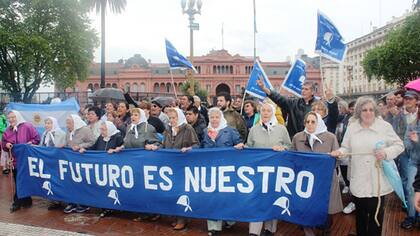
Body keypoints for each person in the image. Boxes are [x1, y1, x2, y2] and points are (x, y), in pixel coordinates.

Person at [331, 96, 404, 236]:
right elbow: (346, 147)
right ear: (359, 111)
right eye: (364, 110)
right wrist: (339, 152)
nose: (368, 112)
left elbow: (399, 145)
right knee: (361, 214)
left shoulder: (384, 127)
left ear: (375, 111)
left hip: (377, 179)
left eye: (371, 109)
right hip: (358, 178)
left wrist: (386, 153)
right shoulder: (352, 128)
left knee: (376, 216)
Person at [146, 107, 199, 230]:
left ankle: (182, 219)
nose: (172, 120)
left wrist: (188, 149)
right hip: (170, 165)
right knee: (173, 192)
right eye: (170, 118)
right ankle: (176, 217)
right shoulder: (168, 130)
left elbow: (196, 144)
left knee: (181, 192)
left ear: (179, 117)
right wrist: (155, 146)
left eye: (174, 117)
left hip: (183, 165)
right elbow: (163, 144)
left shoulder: (188, 128)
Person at [292, 111, 343, 236]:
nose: (310, 124)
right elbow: (292, 157)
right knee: (306, 206)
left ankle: (326, 229)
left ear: (318, 122)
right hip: (305, 179)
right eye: (307, 122)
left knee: (325, 207)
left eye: (313, 122)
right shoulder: (298, 137)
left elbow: (338, 161)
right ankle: (308, 230)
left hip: (324, 179)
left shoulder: (330, 137)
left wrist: (335, 156)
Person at [247, 103, 291, 236]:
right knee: (257, 200)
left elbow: (289, 146)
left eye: (268, 111)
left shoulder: (281, 129)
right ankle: (254, 231)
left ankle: (269, 229)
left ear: (273, 113)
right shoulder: (254, 129)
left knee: (272, 199)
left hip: (275, 172)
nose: (265, 113)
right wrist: (241, 147)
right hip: (258, 172)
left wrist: (283, 148)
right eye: (263, 111)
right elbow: (249, 147)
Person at [201, 107, 243, 236]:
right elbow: (202, 148)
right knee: (212, 198)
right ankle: (214, 227)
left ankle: (229, 219)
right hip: (211, 170)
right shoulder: (205, 131)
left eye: (216, 117)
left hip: (227, 170)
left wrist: (240, 146)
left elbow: (240, 143)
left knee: (226, 197)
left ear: (221, 118)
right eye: (212, 117)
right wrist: (190, 149)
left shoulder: (230, 131)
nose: (214, 119)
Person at [80, 120, 124, 218]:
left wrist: (116, 150)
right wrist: (85, 150)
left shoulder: (117, 137)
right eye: (101, 129)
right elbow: (94, 147)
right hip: (101, 168)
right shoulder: (101, 138)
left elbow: (124, 149)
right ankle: (105, 207)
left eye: (103, 130)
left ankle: (113, 206)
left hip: (114, 169)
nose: (101, 132)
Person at [2, 110, 40, 213]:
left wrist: (30, 143)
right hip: (15, 160)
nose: (11, 119)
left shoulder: (27, 126)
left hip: (27, 160)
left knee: (22, 180)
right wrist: (6, 145)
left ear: (17, 116)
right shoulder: (7, 130)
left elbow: (37, 138)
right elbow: (3, 143)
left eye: (13, 117)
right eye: (9, 118)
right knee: (17, 180)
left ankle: (17, 202)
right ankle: (26, 199)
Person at [63, 114, 96, 214]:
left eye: (69, 123)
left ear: (75, 122)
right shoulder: (68, 132)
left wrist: (80, 146)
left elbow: (92, 142)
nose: (67, 125)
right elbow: (68, 143)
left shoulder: (85, 130)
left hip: (83, 160)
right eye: (67, 123)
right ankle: (72, 202)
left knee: (82, 182)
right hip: (71, 160)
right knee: (71, 181)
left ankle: (84, 203)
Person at [401, 96, 420, 229]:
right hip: (415, 162)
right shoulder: (412, 126)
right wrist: (412, 142)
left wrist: (418, 142)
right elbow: (406, 145)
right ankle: (412, 216)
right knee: (410, 188)